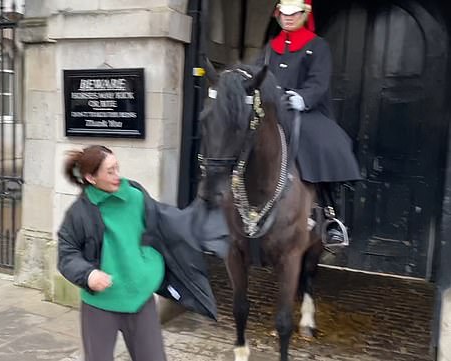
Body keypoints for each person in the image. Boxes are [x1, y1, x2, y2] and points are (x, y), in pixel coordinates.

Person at [57, 145, 218, 361]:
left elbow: (167, 224)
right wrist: (88, 275)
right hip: (101, 305)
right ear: (91, 178)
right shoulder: (79, 213)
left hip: (141, 300)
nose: (117, 176)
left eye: (117, 168)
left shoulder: (136, 196)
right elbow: (67, 254)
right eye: (110, 171)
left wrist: (151, 267)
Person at [257, 0, 362, 245]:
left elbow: (319, 82)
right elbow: (257, 74)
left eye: (294, 14)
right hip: (274, 110)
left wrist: (302, 97)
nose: (289, 18)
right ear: (278, 14)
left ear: (305, 15)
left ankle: (330, 215)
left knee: (322, 145)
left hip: (306, 111)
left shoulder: (317, 46)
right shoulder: (270, 48)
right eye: (284, 13)